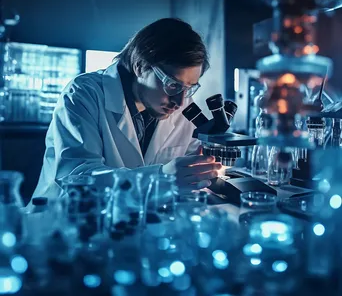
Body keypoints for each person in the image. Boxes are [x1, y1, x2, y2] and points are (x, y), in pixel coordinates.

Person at [30, 18, 222, 202]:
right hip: (69, 221)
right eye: (172, 85)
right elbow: (78, 178)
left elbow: (189, 162)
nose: (180, 101)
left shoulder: (183, 105)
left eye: (189, 88)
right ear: (140, 66)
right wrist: (161, 177)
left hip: (139, 221)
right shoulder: (84, 94)